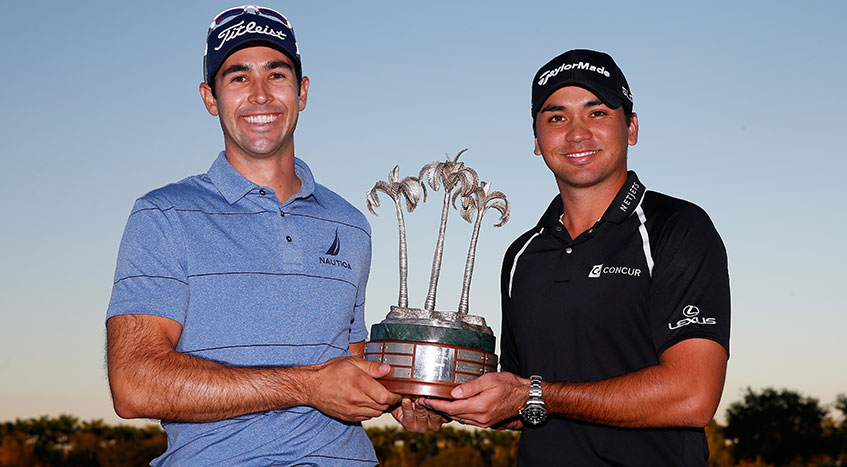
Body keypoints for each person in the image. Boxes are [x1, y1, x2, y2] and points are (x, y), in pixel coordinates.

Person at [105, 5, 440, 465]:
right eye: (238, 78)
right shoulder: (163, 214)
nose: (260, 95)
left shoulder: (349, 223)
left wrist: (411, 394)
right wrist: (306, 385)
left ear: (302, 92)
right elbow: (134, 383)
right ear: (210, 97)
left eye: (276, 75)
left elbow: (351, 363)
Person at [422, 49, 730, 465]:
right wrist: (437, 398)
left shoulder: (677, 227)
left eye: (597, 112)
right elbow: (518, 402)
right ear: (536, 141)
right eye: (556, 117)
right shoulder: (521, 256)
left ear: (632, 127)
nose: (576, 133)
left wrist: (533, 394)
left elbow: (693, 395)